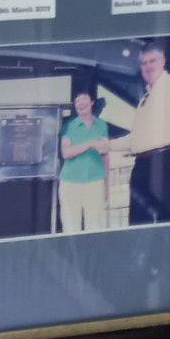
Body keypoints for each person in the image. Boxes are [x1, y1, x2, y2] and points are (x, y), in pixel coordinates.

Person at [108, 43, 170, 226]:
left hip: (162, 163)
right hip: (140, 165)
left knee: (163, 222)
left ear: (163, 61)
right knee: (138, 223)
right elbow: (136, 139)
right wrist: (108, 145)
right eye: (143, 63)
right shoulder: (145, 98)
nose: (148, 67)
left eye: (152, 61)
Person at [56, 88, 111, 233]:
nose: (80, 103)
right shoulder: (69, 126)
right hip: (70, 182)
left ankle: (91, 256)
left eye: (84, 99)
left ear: (92, 102)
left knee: (94, 227)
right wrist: (89, 143)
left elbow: (105, 155)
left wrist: (106, 185)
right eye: (77, 101)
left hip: (95, 181)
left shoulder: (102, 126)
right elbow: (66, 152)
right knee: (71, 227)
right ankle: (73, 256)